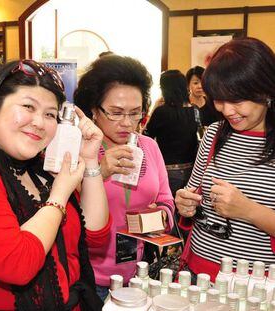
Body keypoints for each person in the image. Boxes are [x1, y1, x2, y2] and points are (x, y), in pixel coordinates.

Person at [0, 59, 111, 310]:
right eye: (28, 106)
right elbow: (17, 264)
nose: (39, 122)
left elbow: (95, 236)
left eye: (50, 114)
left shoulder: (39, 168)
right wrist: (58, 196)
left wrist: (89, 160)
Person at [74, 55, 174, 301]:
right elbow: (60, 209)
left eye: (135, 113)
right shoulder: (77, 148)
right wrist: (98, 172)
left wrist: (157, 218)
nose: (127, 123)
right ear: (94, 111)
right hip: (88, 276)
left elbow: (166, 201)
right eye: (116, 113)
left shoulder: (149, 147)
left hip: (138, 274)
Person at [175, 37, 275, 282]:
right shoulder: (214, 133)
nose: (227, 110)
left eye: (237, 100)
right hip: (198, 275)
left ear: (266, 90)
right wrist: (186, 205)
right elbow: (194, 193)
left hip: (254, 284)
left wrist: (248, 210)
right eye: (219, 99)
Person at [145, 70, 198, 197]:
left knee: (169, 210)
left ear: (165, 89)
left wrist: (154, 109)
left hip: (168, 171)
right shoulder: (195, 110)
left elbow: (146, 137)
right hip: (191, 170)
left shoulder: (161, 111)